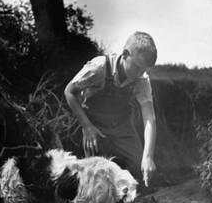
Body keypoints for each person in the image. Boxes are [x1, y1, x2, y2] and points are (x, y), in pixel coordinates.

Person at [64, 31, 158, 192]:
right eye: (136, 67)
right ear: (125, 54)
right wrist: (87, 126)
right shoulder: (99, 67)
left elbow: (149, 118)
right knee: (96, 171)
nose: (139, 74)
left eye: (143, 70)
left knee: (137, 165)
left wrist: (148, 156)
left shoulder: (142, 80)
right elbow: (69, 92)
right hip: (95, 125)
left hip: (122, 125)